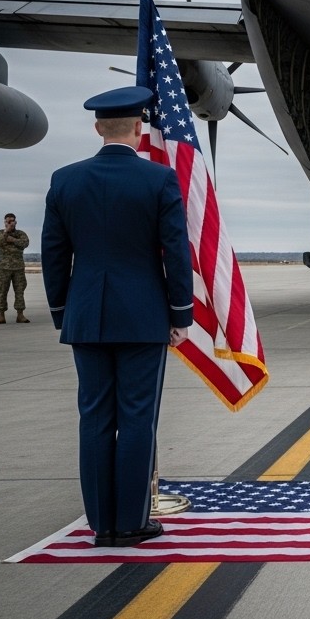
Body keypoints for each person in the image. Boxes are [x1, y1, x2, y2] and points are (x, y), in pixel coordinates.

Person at [42, 85, 194, 548]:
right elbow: (175, 252)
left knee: (93, 417)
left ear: (97, 129)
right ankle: (131, 521)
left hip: (86, 317)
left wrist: (63, 311)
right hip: (143, 317)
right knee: (136, 418)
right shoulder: (158, 180)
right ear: (137, 129)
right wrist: (180, 313)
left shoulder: (64, 179)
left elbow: (53, 253)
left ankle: (101, 524)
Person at [0, 212, 31, 324]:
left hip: (18, 268)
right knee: (2, 291)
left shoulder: (20, 234)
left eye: (12, 221)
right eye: (8, 221)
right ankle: (1, 315)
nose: (11, 223)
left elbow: (25, 243)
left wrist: (13, 240)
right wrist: (6, 233)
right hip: (4, 268)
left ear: (16, 222)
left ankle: (20, 315)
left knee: (20, 291)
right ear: (4, 222)